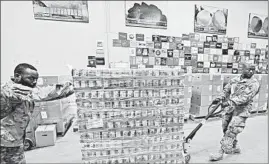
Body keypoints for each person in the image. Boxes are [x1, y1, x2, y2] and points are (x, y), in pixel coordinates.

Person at [1, 63, 74, 164]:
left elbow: (48, 93)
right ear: (17, 76)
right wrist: (75, 82)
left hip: (14, 140)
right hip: (5, 143)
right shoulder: (12, 90)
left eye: (36, 79)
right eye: (30, 78)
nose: (34, 82)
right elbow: (44, 94)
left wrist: (73, 88)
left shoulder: (23, 89)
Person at [209, 63, 260, 161]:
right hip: (230, 108)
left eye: (253, 70)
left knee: (232, 129)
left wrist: (229, 102)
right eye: (248, 69)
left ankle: (220, 152)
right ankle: (235, 146)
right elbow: (226, 89)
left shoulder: (254, 83)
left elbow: (245, 97)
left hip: (242, 110)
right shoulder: (235, 79)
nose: (251, 72)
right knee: (225, 126)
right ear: (242, 69)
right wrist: (220, 97)